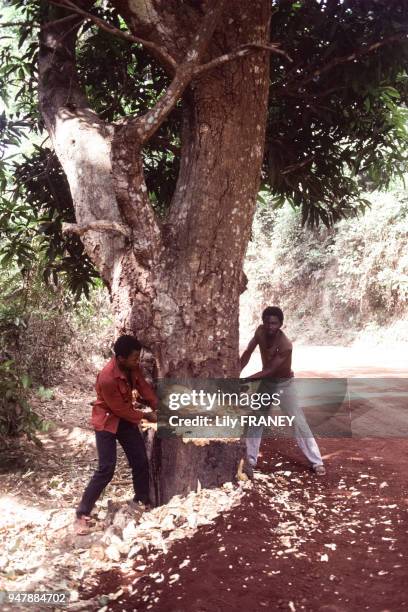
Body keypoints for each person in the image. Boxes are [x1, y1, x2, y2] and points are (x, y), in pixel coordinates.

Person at [75, 335, 158, 534]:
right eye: (134, 358)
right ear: (121, 358)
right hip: (107, 421)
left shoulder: (132, 367)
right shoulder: (107, 377)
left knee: (140, 461)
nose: (137, 361)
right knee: (106, 468)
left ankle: (141, 501)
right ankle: (82, 513)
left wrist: (158, 405)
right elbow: (120, 409)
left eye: (138, 357)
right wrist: (147, 415)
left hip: (124, 420)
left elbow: (144, 388)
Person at [240, 306, 326, 478]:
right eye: (267, 322)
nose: (270, 326)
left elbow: (271, 370)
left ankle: (317, 462)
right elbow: (248, 352)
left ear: (280, 324)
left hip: (284, 384)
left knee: (298, 422)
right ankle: (250, 461)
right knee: (256, 420)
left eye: (274, 323)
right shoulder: (260, 332)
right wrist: (236, 371)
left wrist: (244, 380)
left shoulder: (285, 344)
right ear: (263, 322)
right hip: (266, 384)